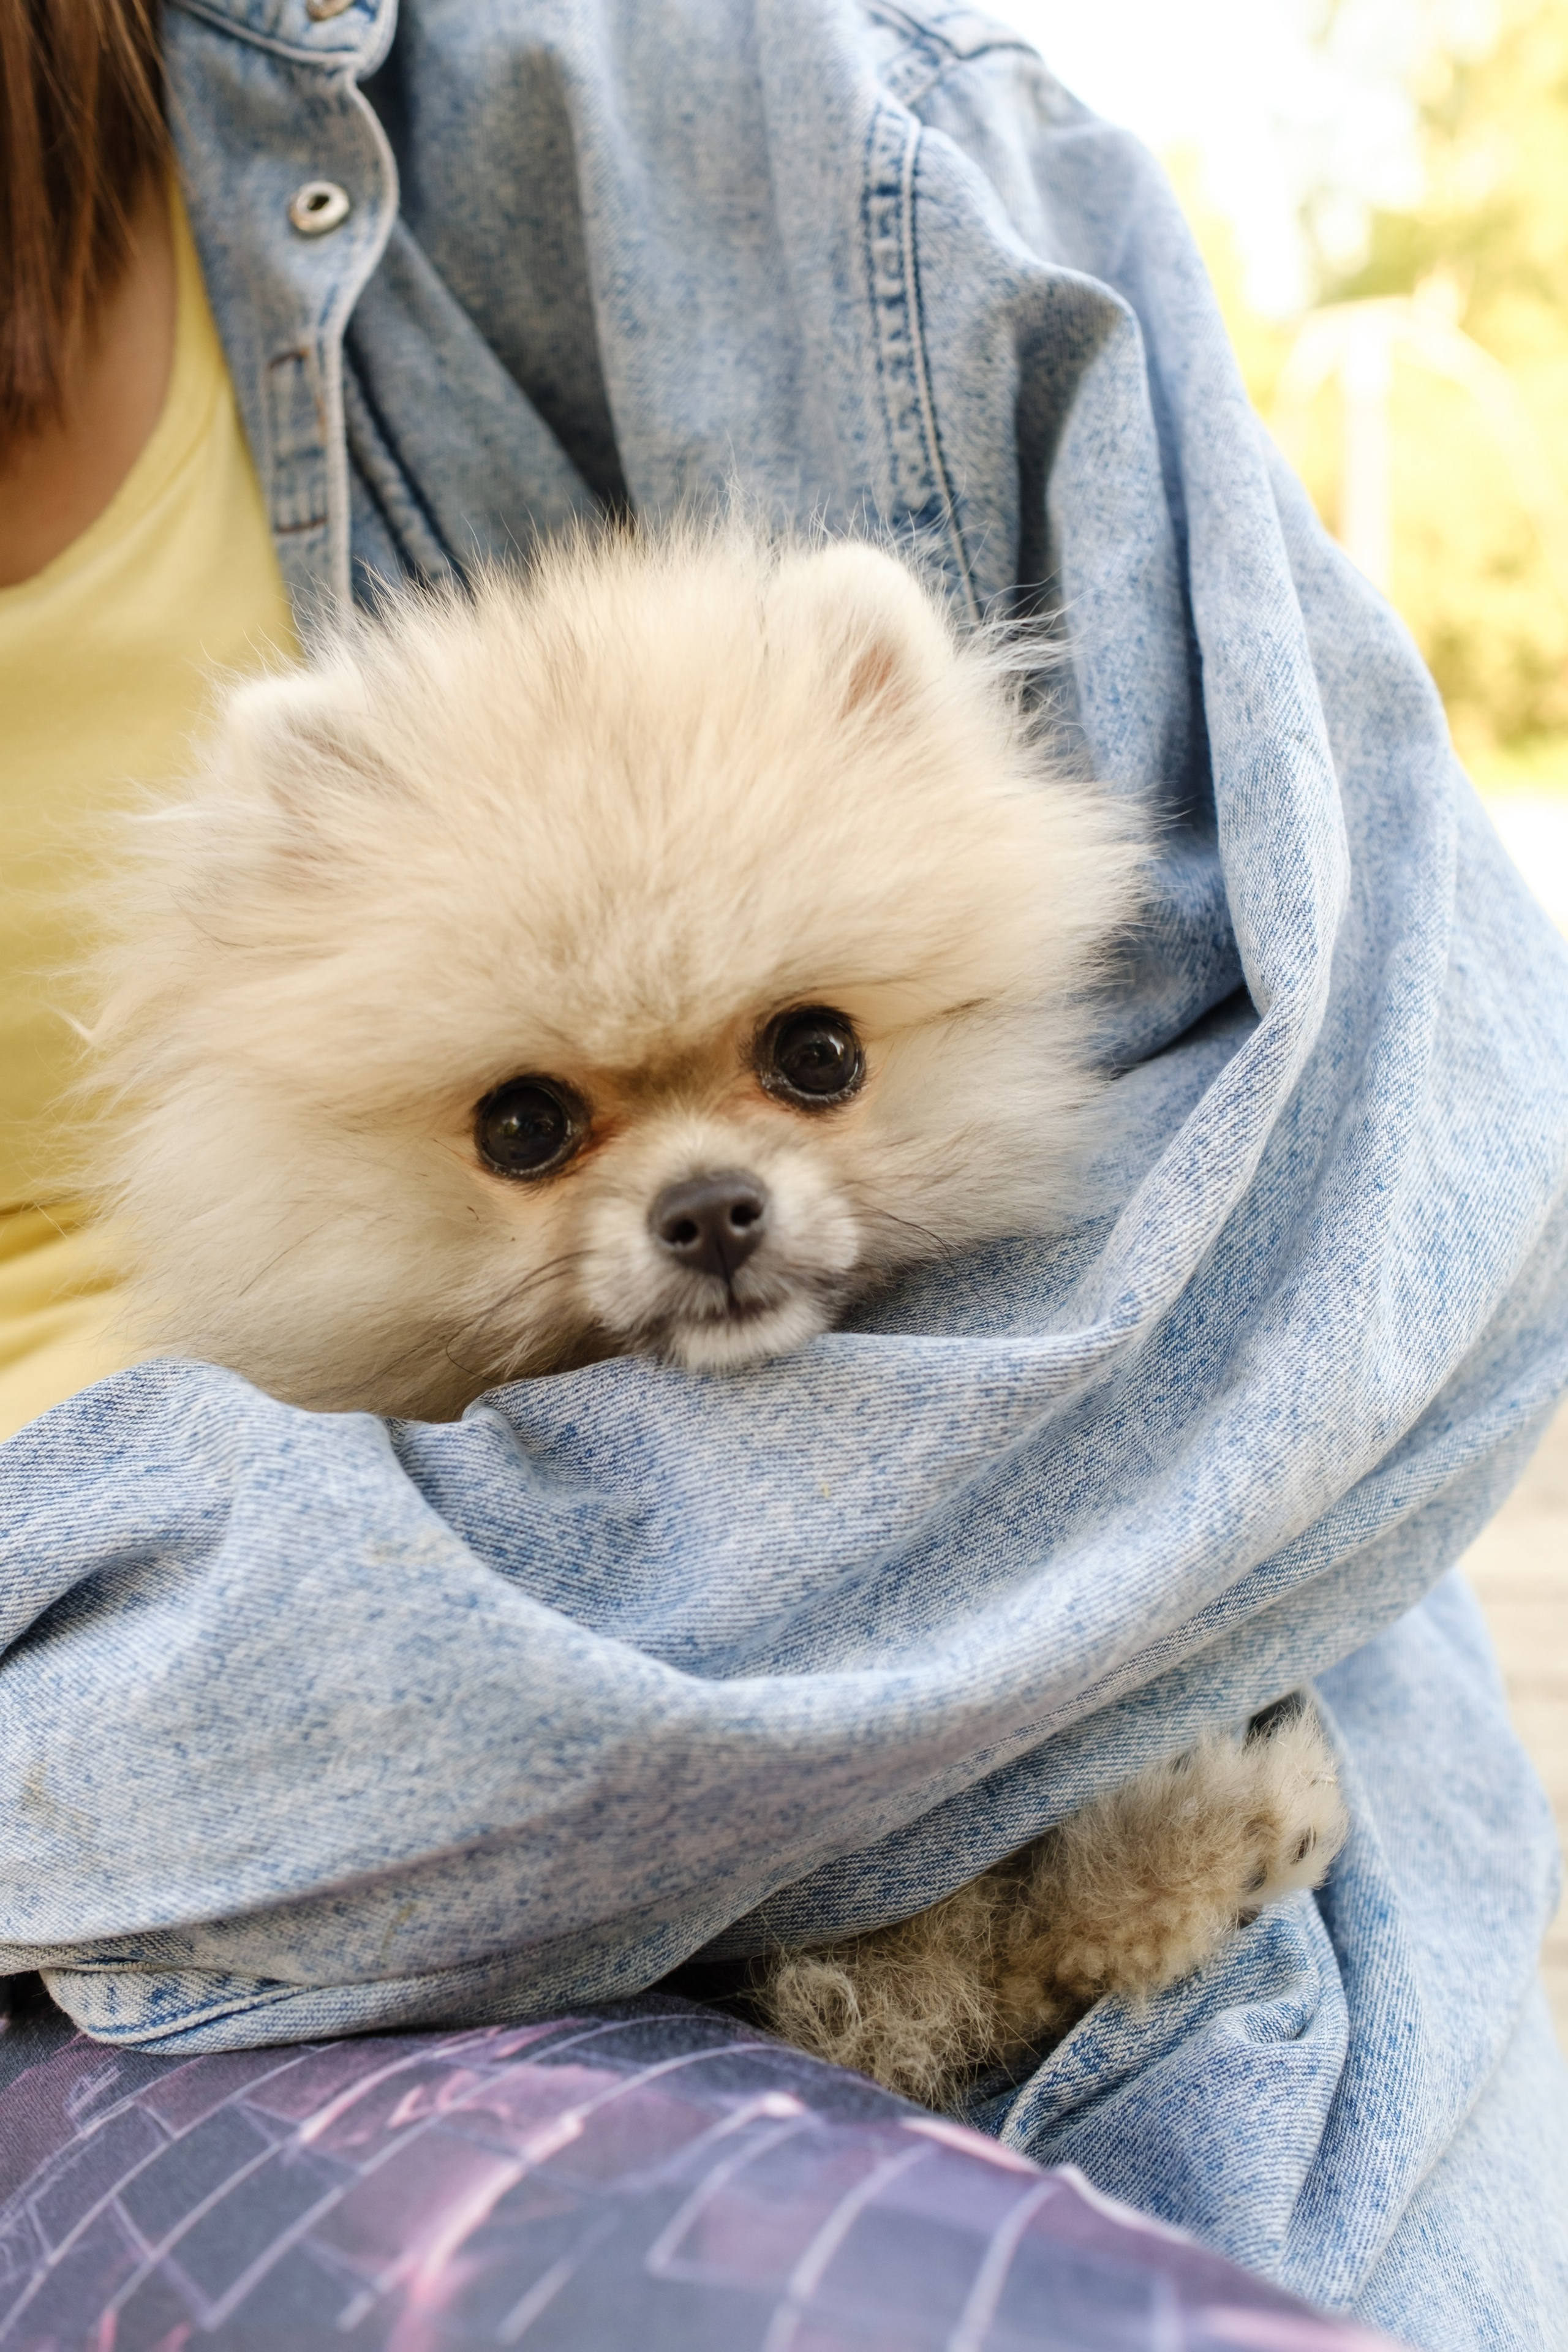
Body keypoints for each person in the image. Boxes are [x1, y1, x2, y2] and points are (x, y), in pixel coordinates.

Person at [1, 6, 1565, 2349]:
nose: (705, 1183)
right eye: (536, 1127)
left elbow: (1417, 1152)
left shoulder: (754, 114)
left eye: (806, 1062)